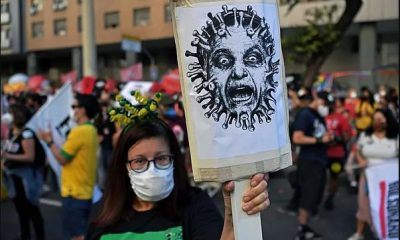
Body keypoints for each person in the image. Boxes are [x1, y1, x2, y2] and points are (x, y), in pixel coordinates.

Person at [86, 93, 270, 240]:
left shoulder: (194, 206)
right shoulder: (102, 214)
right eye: (140, 161)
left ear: (173, 159)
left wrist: (234, 216)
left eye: (161, 158)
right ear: (124, 166)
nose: (152, 170)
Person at [38, 93, 100, 240]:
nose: (73, 110)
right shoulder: (91, 129)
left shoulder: (79, 131)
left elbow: (62, 158)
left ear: (83, 109)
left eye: (74, 106)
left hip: (75, 193)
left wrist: (49, 141)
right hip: (84, 191)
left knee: (76, 236)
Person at [347, 109, 399, 240]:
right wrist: (361, 160)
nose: (377, 122)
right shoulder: (366, 135)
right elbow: (357, 150)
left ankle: (386, 231)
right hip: (369, 177)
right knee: (364, 203)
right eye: (375, 119)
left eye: (380, 119)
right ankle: (359, 233)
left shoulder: (395, 137)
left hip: (389, 179)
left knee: (388, 205)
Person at [291, 89, 333, 240]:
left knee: (314, 196)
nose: (325, 106)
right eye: (324, 102)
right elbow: (297, 137)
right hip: (309, 162)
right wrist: (320, 140)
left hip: (318, 161)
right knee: (308, 196)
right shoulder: (306, 114)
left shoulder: (318, 117)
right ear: (316, 99)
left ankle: (305, 227)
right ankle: (301, 231)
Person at [1, 103, 45, 240]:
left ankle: (39, 236)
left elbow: (29, 156)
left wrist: (7, 156)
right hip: (13, 177)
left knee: (32, 209)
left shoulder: (27, 134)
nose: (7, 116)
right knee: (20, 210)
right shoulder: (11, 132)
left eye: (10, 113)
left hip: (25, 178)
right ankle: (24, 234)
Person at [324, 97, 353, 210]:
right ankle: (329, 198)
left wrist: (333, 140)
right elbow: (346, 137)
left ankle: (329, 198)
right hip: (332, 154)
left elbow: (346, 137)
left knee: (332, 178)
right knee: (332, 178)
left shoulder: (330, 118)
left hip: (332, 154)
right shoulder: (341, 119)